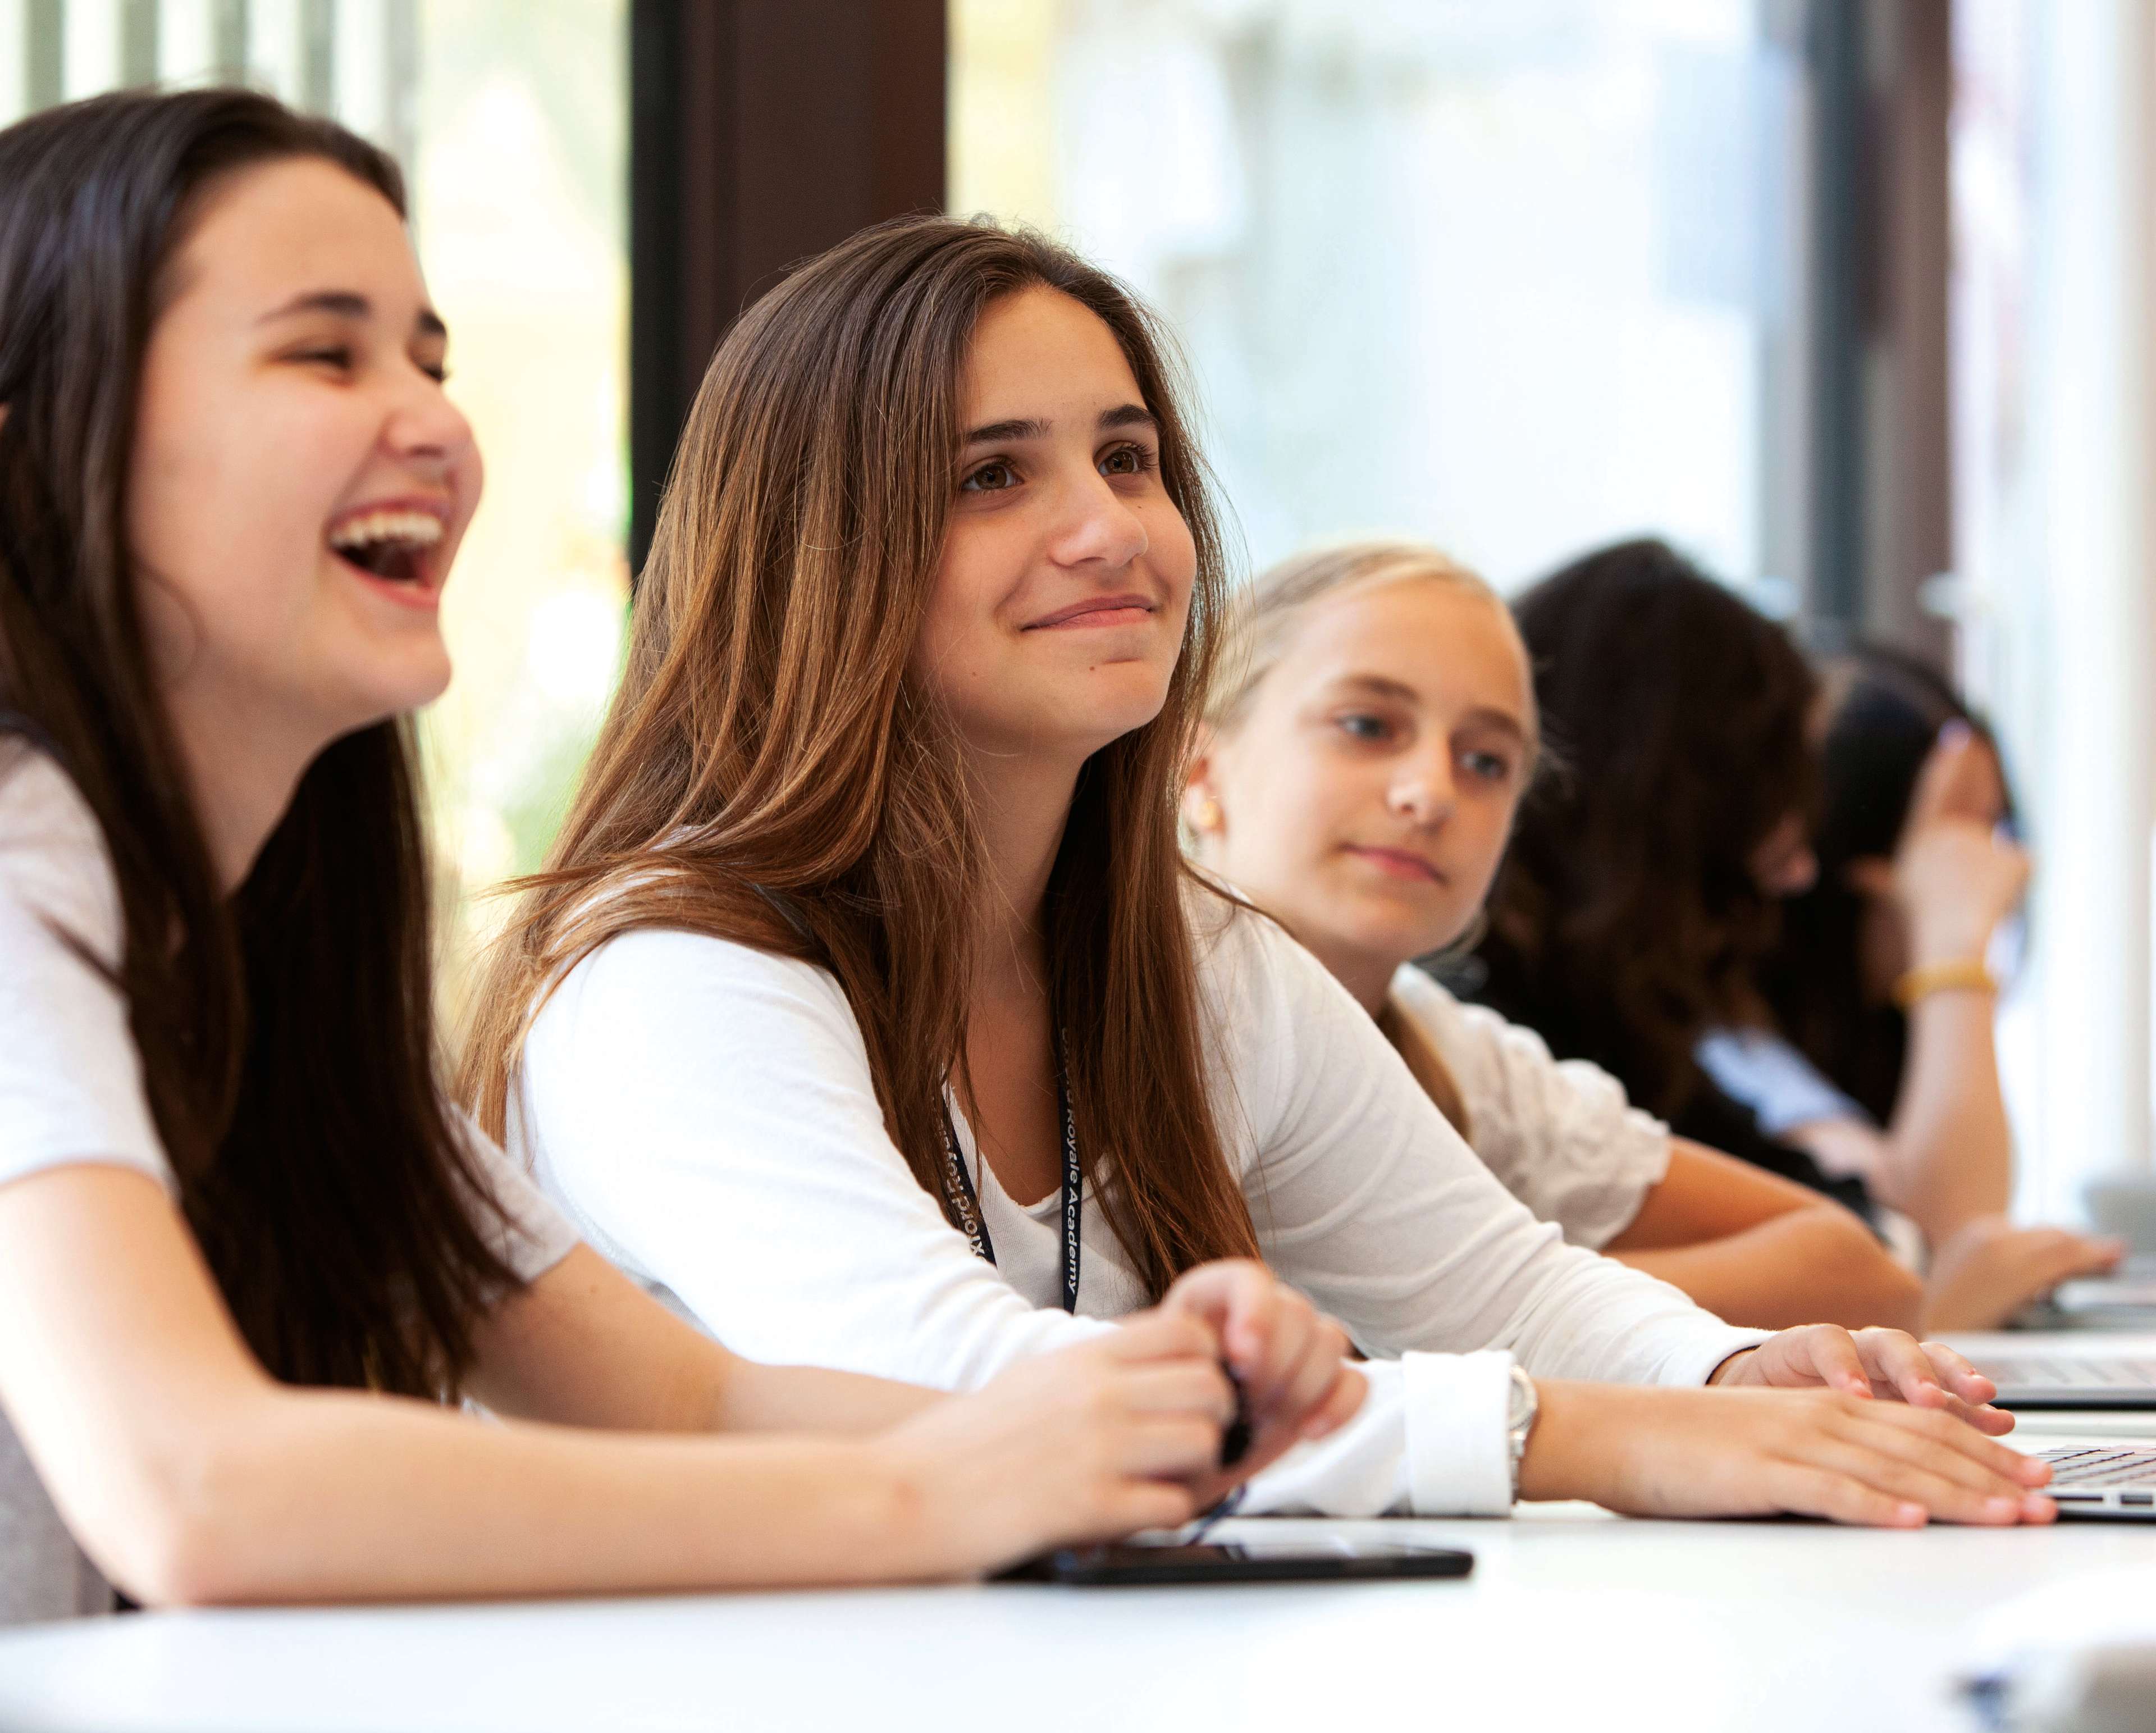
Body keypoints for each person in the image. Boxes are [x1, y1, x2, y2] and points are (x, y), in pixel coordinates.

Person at [469, 213, 2055, 1531]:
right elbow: (954, 1385)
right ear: (822, 551)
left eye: (1129, 456)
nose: (1112, 529)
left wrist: (1726, 1377)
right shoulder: (671, 972)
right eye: (993, 475)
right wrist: (1590, 1433)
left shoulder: (1194, 957)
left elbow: (1498, 1281)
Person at [0, 89, 1358, 1627]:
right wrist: (943, 1487)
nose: (438, 423)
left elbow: (691, 1402)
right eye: (327, 351)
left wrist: (1152, 1409)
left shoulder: (266, 944)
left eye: (430, 360)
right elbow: (197, 1493)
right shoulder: (16, 841)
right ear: (40, 439)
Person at [1181, 540, 1922, 1331]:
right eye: (1367, 724)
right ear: (1199, 770)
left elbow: (1866, 1273)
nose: (1431, 792)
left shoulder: (1456, 1054)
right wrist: (1498, 1305)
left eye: (1486, 761)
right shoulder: (1126, 1006)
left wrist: (1508, 1291)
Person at [1472, 539, 2114, 1330]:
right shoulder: (1487, 1007)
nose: (1791, 872)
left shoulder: (1616, 1023)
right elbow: (1898, 1259)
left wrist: (1896, 1286)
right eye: (1771, 813)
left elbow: (1873, 1246)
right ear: (1671, 815)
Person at [1718, 646, 2123, 1326]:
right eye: (1967, 828)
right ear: (1855, 856)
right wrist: (1954, 943)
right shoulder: (1727, 1044)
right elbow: (1949, 1240)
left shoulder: (1850, 1045)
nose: (2002, 863)